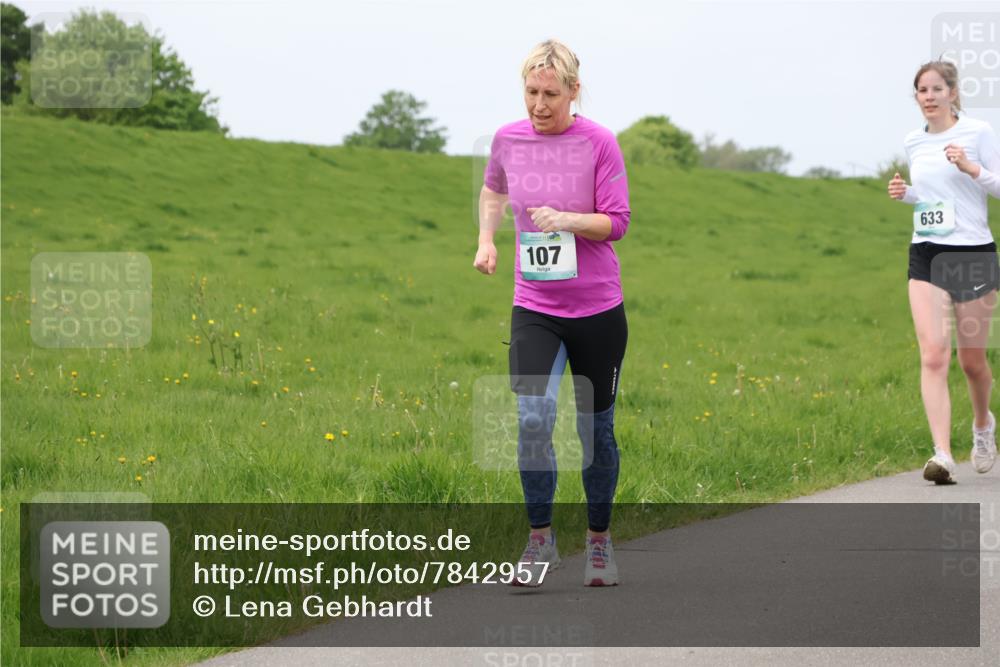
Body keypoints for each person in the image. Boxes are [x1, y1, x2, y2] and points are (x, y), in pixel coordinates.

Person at [474, 39, 630, 586]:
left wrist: (568, 220)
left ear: (573, 91)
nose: (539, 105)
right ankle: (540, 541)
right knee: (533, 418)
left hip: (596, 309)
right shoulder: (508, 139)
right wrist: (486, 240)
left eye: (550, 94)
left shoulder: (599, 143)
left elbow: (617, 222)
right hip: (534, 306)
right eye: (531, 92)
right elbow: (492, 191)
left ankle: (599, 543)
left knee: (596, 432)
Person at [888, 61, 1000, 484]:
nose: (929, 96)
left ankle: (983, 426)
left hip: (972, 255)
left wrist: (971, 168)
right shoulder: (914, 141)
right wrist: (907, 194)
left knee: (972, 362)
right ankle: (942, 455)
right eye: (922, 90)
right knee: (934, 355)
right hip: (927, 253)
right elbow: (932, 197)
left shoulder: (978, 133)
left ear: (953, 92)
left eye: (937, 89)